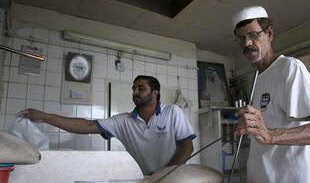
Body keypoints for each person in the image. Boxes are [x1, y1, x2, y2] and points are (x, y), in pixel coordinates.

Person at [231, 6, 310, 183]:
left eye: (253, 35)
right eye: (241, 38)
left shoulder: (289, 67)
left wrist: (270, 135)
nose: (247, 43)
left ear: (269, 34)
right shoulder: (256, 78)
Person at [18, 75, 196, 175]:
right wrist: (46, 117)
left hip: (176, 177)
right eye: (133, 88)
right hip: (147, 180)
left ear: (155, 93)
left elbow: (187, 147)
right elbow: (86, 126)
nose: (135, 92)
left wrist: (165, 174)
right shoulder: (123, 121)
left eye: (141, 88)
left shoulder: (172, 112)